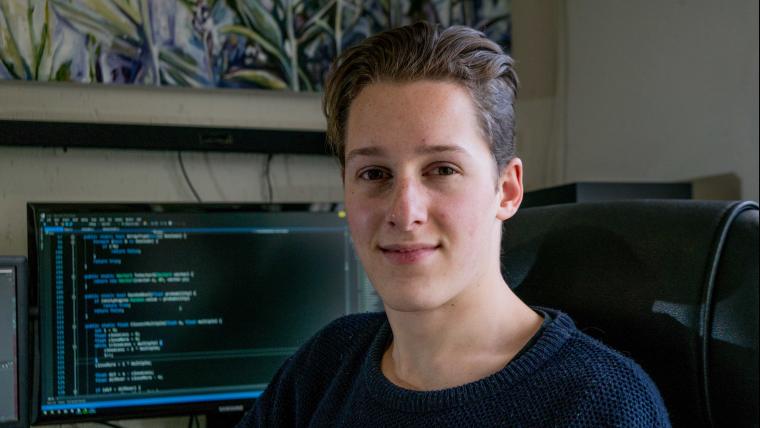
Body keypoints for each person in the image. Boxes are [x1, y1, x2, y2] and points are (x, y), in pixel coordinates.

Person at [237, 22, 670, 427]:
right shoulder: (326, 365)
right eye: (374, 174)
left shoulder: (601, 404)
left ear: (507, 190)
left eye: (442, 170)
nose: (405, 213)